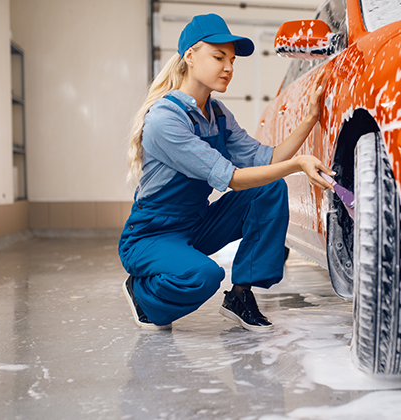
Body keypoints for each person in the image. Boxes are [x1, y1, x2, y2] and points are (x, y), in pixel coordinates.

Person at [119, 13, 333, 332]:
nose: (229, 67)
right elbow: (231, 178)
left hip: (196, 224)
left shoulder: (217, 114)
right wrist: (297, 166)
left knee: (269, 190)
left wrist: (310, 119)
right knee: (203, 276)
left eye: (232, 60)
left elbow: (265, 158)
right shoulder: (165, 120)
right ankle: (142, 292)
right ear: (189, 56)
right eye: (218, 57)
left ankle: (241, 296)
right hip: (152, 235)